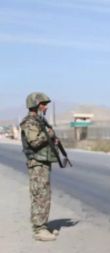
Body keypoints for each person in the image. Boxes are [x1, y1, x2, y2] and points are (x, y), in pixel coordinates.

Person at [20, 92, 59, 241]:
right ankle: (39, 229)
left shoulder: (38, 121)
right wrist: (48, 134)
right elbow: (34, 142)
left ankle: (43, 226)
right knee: (40, 195)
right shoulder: (30, 122)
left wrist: (51, 139)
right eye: (43, 104)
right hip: (37, 163)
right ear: (36, 105)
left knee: (44, 194)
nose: (45, 107)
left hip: (42, 163)